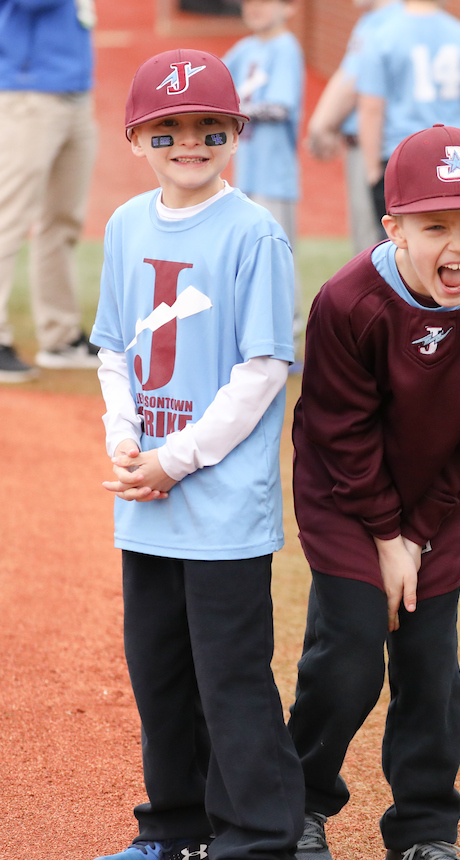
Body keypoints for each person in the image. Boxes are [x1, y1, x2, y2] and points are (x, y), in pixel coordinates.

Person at [286, 124, 460, 860]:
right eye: (435, 227)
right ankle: (297, 804)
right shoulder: (347, 301)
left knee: (429, 666)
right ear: (393, 227)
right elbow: (340, 430)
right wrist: (386, 536)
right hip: (342, 494)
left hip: (434, 506)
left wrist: (418, 535)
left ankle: (425, 828)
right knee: (352, 654)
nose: (458, 247)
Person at [88, 48, 303, 860]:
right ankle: (174, 833)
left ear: (234, 135)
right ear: (138, 139)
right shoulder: (125, 224)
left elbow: (262, 370)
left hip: (219, 508)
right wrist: (122, 434)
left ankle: (259, 842)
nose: (190, 142)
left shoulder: (255, 232)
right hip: (145, 502)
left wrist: (176, 457)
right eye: (169, 129)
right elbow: (114, 349)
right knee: (161, 680)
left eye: (209, 128)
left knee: (232, 685)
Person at [0, 0, 99, 382]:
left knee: (63, 219)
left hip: (75, 90)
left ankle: (60, 336)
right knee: (8, 217)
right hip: (27, 93)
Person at [356, 0, 460, 224]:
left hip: (402, 153)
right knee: (455, 230)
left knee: (403, 240)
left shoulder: (381, 35)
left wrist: (372, 170)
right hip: (454, 155)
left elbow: (371, 108)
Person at [224, 0, 305, 338]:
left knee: (277, 253)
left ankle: (287, 329)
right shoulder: (245, 48)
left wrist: (236, 111)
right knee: (253, 252)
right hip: (249, 173)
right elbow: (213, 78)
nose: (254, 7)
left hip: (275, 173)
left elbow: (279, 108)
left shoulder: (286, 47)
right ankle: (263, 329)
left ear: (287, 8)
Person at [304, 0, 400, 253]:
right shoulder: (372, 18)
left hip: (380, 149)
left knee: (377, 246)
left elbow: (353, 83)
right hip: (372, 145)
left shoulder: (390, 20)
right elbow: (349, 73)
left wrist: (321, 125)